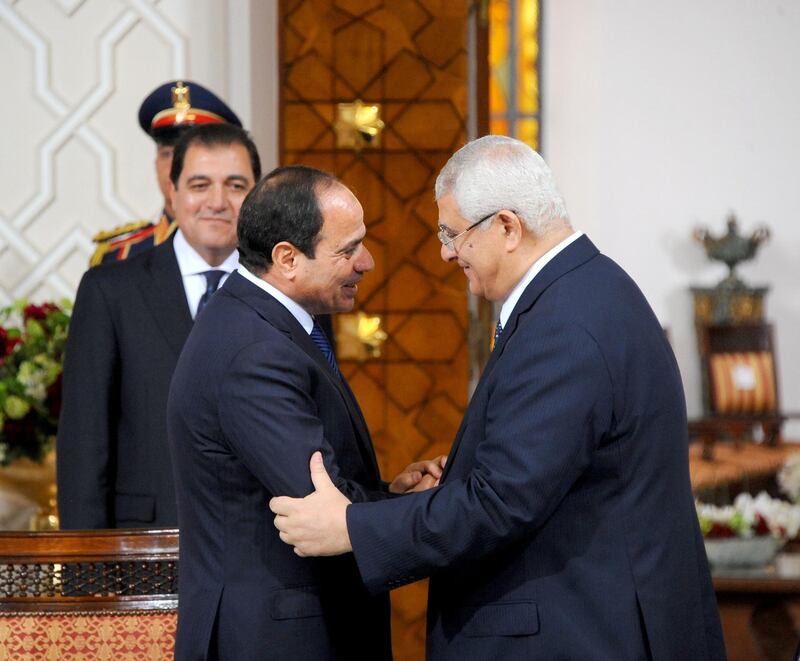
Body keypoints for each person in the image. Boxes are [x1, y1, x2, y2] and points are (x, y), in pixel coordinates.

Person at [270, 136, 727, 660]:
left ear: (507, 226)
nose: (445, 252)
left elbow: (503, 500)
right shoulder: (585, 292)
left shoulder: (566, 325)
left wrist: (351, 526)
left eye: (453, 233)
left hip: (578, 635)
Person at [167, 165, 444, 660]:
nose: (368, 262)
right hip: (277, 640)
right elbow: (319, 502)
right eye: (348, 250)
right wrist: (431, 512)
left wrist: (386, 495)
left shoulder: (267, 325)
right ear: (287, 258)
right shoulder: (254, 351)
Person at [57, 123, 260, 528]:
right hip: (144, 546)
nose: (217, 201)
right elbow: (84, 444)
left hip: (266, 552)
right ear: (173, 192)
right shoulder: (110, 290)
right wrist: (86, 571)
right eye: (200, 184)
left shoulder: (289, 290)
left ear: (257, 196)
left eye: (236, 186)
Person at [90, 80, 241, 266]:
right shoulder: (121, 255)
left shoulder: (257, 255)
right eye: (168, 154)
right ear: (156, 164)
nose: (176, 167)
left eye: (191, 156)